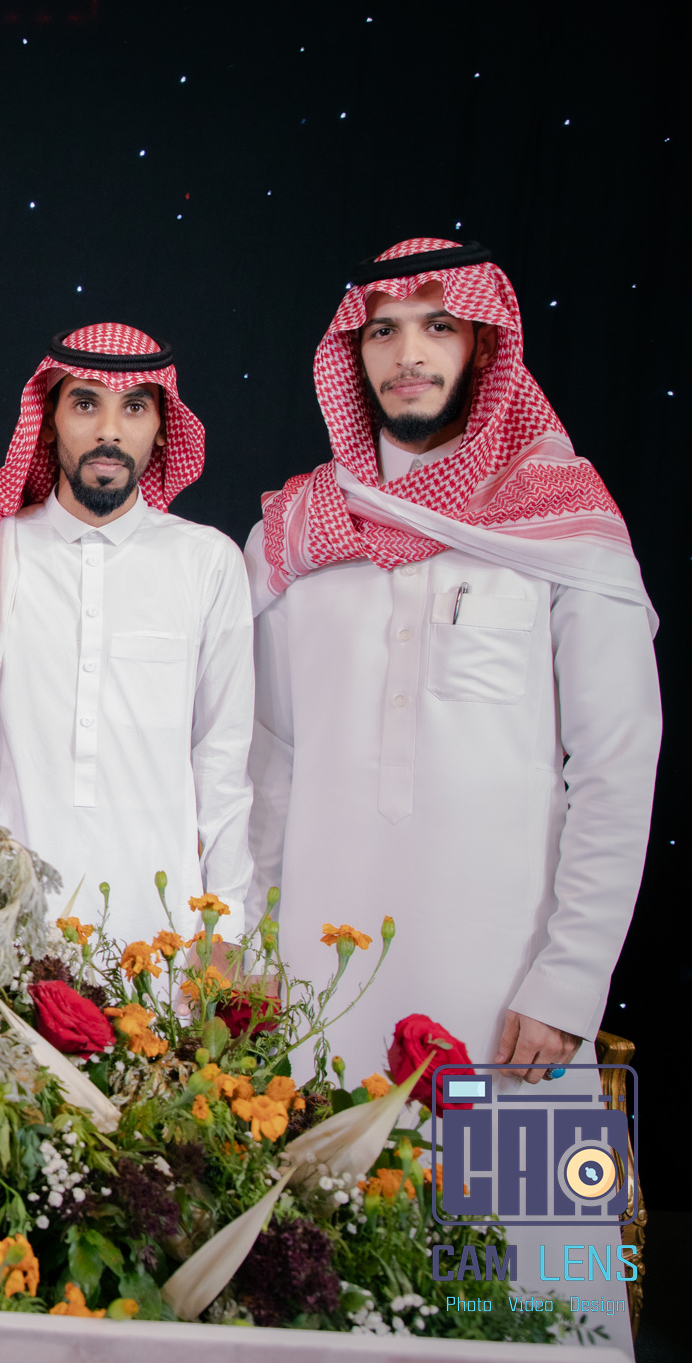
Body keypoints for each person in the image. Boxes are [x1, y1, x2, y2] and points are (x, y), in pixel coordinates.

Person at [248, 238, 660, 1087]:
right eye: (383, 331)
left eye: (438, 326)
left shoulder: (565, 523)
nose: (409, 354)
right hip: (317, 987)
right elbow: (266, 764)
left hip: (509, 996)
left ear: (482, 345)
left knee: (513, 1180)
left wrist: (571, 979)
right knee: (322, 1175)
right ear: (353, 357)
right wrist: (254, 948)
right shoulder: (293, 535)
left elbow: (616, 761)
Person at [0, 325, 254, 948]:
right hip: (5, 918)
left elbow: (223, 757)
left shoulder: (207, 560)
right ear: (48, 421)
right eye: (86, 403)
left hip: (161, 925)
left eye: (134, 407)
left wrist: (227, 929)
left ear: (161, 428)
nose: (110, 430)